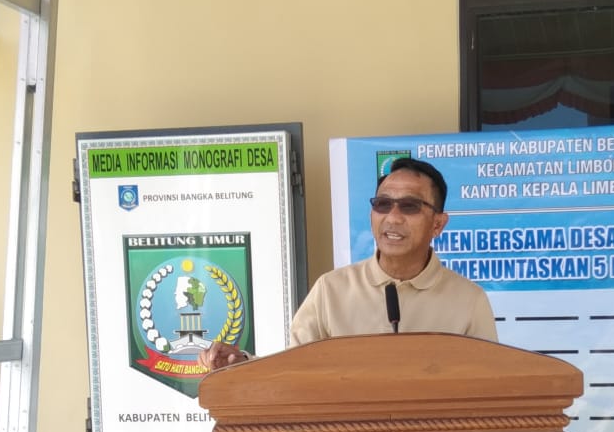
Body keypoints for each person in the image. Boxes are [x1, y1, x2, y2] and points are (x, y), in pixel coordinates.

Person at [200, 157, 498, 370]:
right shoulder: (331, 290)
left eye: (409, 206)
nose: (393, 218)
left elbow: (491, 384)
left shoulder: (468, 300)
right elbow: (293, 372)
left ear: (438, 224)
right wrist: (240, 363)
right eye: (383, 204)